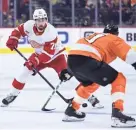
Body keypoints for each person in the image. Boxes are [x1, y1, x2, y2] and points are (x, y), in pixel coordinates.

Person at [1, 8, 102, 109]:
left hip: (57, 57)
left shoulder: (51, 32)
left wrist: (34, 61)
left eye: (43, 20)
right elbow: (18, 31)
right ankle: (12, 94)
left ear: (47, 19)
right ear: (34, 21)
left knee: (68, 77)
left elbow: (48, 54)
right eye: (38, 20)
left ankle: (89, 96)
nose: (41, 23)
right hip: (38, 55)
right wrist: (13, 38)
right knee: (24, 71)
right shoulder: (28, 25)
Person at [62, 24, 136, 128]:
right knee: (119, 78)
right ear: (117, 34)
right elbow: (130, 55)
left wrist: (68, 71)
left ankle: (71, 110)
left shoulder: (93, 37)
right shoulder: (113, 38)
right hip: (88, 60)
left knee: (92, 83)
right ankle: (117, 115)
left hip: (72, 61)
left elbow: (78, 53)